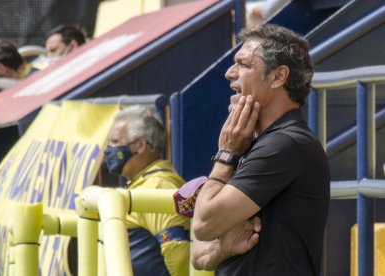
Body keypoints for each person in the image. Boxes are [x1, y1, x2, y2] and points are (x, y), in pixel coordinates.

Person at [191, 23, 330, 275]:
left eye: (244, 64)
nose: (229, 73)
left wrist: (225, 157)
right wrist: (223, 251)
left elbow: (203, 224)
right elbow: (198, 253)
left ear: (278, 76)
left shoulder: (287, 144)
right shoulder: (250, 142)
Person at [103, 105, 189, 276]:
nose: (108, 150)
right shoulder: (141, 184)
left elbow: (179, 251)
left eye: (114, 142)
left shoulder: (158, 186)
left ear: (140, 145)